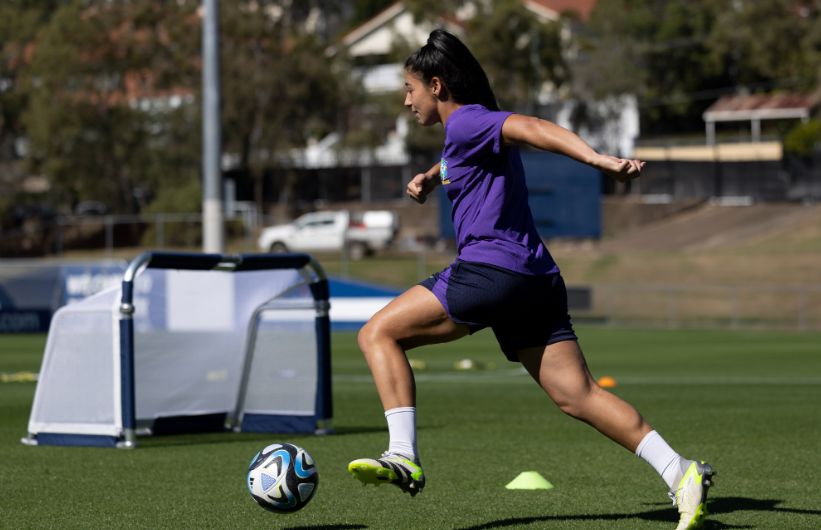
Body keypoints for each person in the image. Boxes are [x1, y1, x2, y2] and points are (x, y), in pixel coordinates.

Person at [347, 29, 714, 530]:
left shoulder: (468, 122)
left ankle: (402, 453)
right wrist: (432, 176)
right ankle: (680, 472)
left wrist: (597, 160)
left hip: (492, 270)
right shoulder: (462, 134)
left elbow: (535, 127)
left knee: (377, 333)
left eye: (409, 88)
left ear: (436, 85)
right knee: (577, 394)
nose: (406, 100)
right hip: (536, 277)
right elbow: (466, 153)